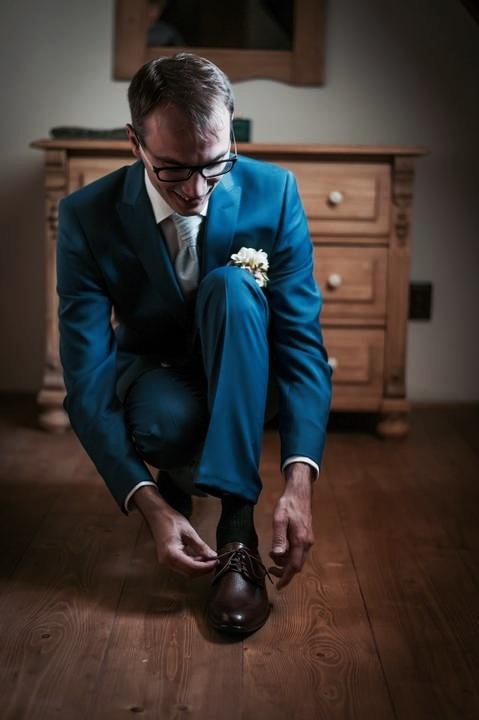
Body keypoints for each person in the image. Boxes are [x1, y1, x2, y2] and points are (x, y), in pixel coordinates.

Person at [56, 52, 332, 635]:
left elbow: (302, 344)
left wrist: (299, 481)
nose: (198, 190)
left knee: (233, 287)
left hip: (251, 376)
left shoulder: (275, 192)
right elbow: (85, 378)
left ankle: (237, 535)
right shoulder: (86, 216)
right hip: (158, 378)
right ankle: (177, 479)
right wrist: (148, 502)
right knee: (163, 426)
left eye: (216, 165)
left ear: (231, 132)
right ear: (135, 143)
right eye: (174, 171)